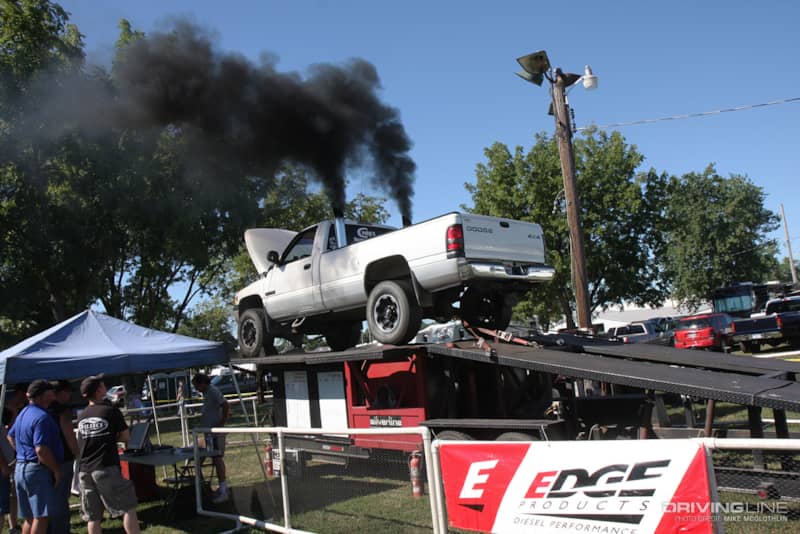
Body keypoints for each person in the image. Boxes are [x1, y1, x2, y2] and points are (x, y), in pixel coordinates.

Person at [76, 375, 140, 534]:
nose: (105, 386)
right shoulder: (110, 411)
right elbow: (125, 436)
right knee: (128, 508)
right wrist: (113, 438)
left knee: (93, 517)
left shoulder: (82, 415)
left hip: (85, 471)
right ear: (99, 390)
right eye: (102, 384)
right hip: (105, 467)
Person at [7, 380, 64, 534]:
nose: (54, 396)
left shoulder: (23, 412)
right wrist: (56, 470)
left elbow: (10, 436)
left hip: (21, 469)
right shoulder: (42, 417)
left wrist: (22, 452)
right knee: (41, 517)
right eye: (51, 393)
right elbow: (41, 450)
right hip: (36, 470)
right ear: (43, 395)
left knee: (30, 518)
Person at [191, 373, 230, 503]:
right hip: (209, 433)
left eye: (197, 386)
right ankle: (203, 487)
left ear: (203, 382)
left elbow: (225, 405)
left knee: (217, 459)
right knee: (207, 458)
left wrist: (221, 423)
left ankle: (223, 490)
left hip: (215, 433)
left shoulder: (213, 391)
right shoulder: (207, 393)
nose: (196, 389)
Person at [47, 381, 78, 534]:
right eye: (67, 392)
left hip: (45, 460)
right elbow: (69, 435)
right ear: (59, 393)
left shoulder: (42, 409)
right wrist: (78, 453)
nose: (70, 395)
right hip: (63, 459)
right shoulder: (63, 411)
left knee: (50, 498)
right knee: (61, 499)